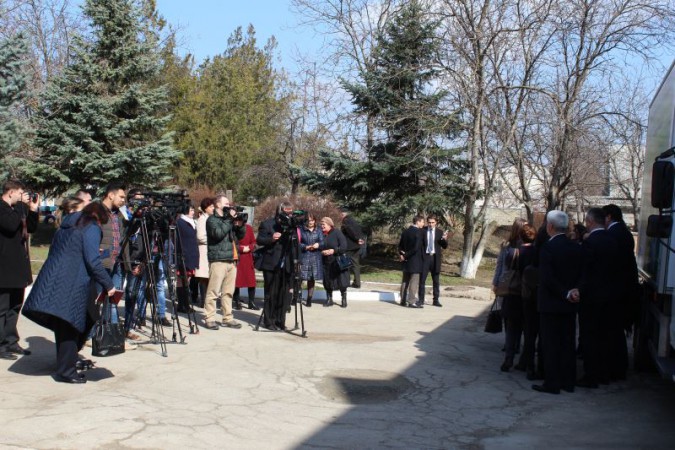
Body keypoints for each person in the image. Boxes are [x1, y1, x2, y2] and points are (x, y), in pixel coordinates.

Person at [22, 202, 115, 383]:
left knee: (66, 325)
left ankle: (68, 363)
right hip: (73, 281)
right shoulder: (91, 227)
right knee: (71, 325)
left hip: (55, 278)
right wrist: (109, 285)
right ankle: (66, 371)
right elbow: (92, 261)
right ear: (99, 217)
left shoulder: (68, 223)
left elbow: (65, 250)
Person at [532, 210, 582, 395]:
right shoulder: (575, 247)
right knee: (568, 342)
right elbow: (583, 273)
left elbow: (547, 278)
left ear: (550, 226)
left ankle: (552, 383)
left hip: (551, 304)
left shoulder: (548, 248)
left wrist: (565, 293)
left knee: (550, 344)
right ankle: (568, 382)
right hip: (570, 303)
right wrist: (576, 290)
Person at [576, 207, 621, 389]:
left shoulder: (590, 243)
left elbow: (585, 271)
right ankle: (604, 373)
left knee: (589, 336)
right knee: (605, 337)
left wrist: (579, 289)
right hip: (610, 296)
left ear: (590, 222)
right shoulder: (613, 241)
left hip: (591, 298)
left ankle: (591, 376)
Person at [0, 180, 39, 360]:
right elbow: (9, 226)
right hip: (4, 266)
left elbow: (31, 227)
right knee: (2, 308)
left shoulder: (18, 209)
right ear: (11, 192)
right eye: (20, 193)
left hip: (18, 266)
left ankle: (11, 341)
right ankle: (1, 345)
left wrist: (33, 210)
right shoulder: (2, 208)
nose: (22, 196)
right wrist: (22, 207)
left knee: (15, 306)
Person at [602, 203, 639, 381]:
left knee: (613, 332)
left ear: (609, 217)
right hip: (623, 288)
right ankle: (617, 367)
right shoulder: (622, 232)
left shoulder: (613, 234)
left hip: (615, 290)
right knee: (616, 332)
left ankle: (615, 369)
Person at [203, 195, 245, 330]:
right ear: (218, 205)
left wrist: (240, 225)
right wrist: (229, 220)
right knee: (213, 291)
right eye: (226, 203)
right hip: (218, 260)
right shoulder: (212, 220)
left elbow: (240, 236)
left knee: (228, 292)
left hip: (232, 259)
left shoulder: (229, 220)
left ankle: (227, 318)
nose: (229, 205)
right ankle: (209, 318)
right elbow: (218, 234)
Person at [257, 201, 299, 329]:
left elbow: (296, 244)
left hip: (287, 264)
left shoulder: (292, 225)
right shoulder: (268, 224)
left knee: (284, 294)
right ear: (280, 211)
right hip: (271, 264)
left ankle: (280, 321)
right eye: (287, 212)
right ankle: (269, 321)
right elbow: (259, 240)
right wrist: (271, 239)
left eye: (291, 212)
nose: (289, 215)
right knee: (271, 293)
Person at [494, 218, 528, 372]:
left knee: (514, 320)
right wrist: (496, 283)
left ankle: (512, 348)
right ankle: (512, 346)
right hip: (512, 286)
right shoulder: (509, 246)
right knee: (511, 318)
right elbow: (500, 265)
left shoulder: (525, 246)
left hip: (517, 288)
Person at [515, 224, 539, 378]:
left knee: (526, 329)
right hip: (537, 294)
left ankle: (526, 361)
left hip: (522, 294)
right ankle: (527, 362)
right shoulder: (537, 252)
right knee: (534, 330)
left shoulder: (519, 252)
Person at [419, 214, 449, 307]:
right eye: (429, 222)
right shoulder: (422, 230)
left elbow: (444, 246)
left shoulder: (440, 232)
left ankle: (436, 300)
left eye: (432, 222)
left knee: (436, 281)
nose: (431, 224)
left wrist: (444, 239)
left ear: (436, 222)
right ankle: (421, 300)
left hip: (435, 258)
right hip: (425, 258)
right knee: (422, 280)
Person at [320, 217, 350, 308]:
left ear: (329, 224)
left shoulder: (337, 233)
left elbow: (344, 246)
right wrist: (322, 251)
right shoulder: (322, 234)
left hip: (337, 261)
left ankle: (343, 299)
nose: (322, 226)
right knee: (327, 281)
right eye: (321, 224)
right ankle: (329, 299)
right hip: (326, 261)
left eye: (323, 224)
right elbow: (320, 246)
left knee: (342, 281)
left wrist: (334, 250)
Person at [176, 204, 200, 313]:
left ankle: (185, 304)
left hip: (192, 254)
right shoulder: (180, 222)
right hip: (183, 254)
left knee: (187, 280)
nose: (193, 212)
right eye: (191, 210)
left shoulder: (193, 222)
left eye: (193, 210)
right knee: (181, 280)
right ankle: (182, 304)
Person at [398, 215, 425, 308]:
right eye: (422, 222)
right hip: (415, 261)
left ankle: (402, 300)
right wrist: (405, 255)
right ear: (418, 222)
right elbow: (416, 248)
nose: (423, 224)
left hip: (405, 261)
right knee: (414, 281)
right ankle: (411, 301)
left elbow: (400, 246)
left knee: (405, 281)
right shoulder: (418, 232)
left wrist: (402, 255)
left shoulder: (405, 231)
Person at [193, 197, 215, 307]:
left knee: (209, 277)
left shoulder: (211, 218)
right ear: (205, 208)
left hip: (210, 251)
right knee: (204, 277)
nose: (213, 208)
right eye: (211, 206)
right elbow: (200, 237)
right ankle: (204, 300)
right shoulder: (202, 219)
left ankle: (207, 300)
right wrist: (214, 239)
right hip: (204, 251)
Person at [300, 213, 324, 308]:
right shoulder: (301, 230)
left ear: (315, 221)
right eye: (309, 220)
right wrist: (305, 247)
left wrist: (318, 245)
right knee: (300, 278)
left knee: (311, 279)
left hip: (315, 257)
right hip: (304, 256)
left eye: (312, 220)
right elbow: (298, 243)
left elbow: (323, 242)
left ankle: (309, 299)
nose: (310, 222)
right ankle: (296, 297)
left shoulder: (319, 230)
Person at [233, 221, 258, 310]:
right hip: (238, 257)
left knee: (251, 281)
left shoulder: (249, 228)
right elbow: (232, 243)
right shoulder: (233, 228)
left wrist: (250, 248)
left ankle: (251, 302)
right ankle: (237, 301)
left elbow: (254, 242)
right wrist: (241, 248)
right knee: (237, 281)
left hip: (248, 258)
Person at [340, 208, 365, 288]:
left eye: (341, 214)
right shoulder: (353, 220)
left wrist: (357, 238)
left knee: (345, 264)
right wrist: (360, 239)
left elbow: (350, 231)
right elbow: (359, 230)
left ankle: (345, 282)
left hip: (349, 246)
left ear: (343, 214)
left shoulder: (346, 220)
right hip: (356, 246)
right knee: (355, 264)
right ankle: (357, 283)